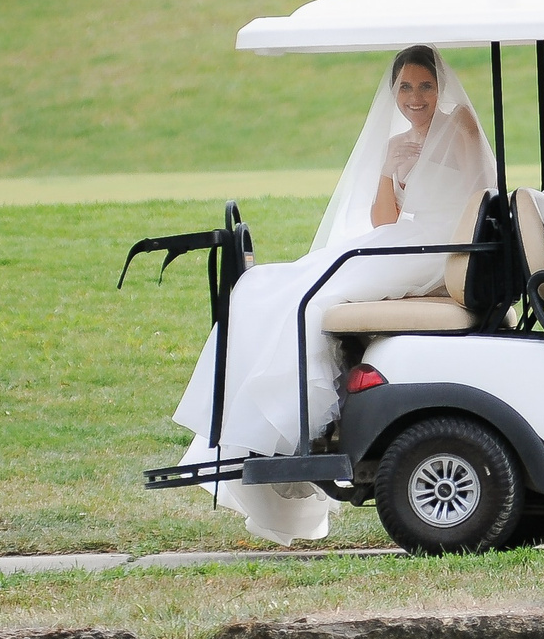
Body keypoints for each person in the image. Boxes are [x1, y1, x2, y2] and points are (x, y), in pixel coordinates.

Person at [172, 45, 496, 543]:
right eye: (405, 88)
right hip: (401, 239)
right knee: (264, 288)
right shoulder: (397, 144)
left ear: (441, 88)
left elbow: (478, 192)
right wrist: (393, 167)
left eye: (425, 86)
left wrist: (429, 159)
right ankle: (248, 427)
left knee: (314, 300)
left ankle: (288, 420)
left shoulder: (461, 128)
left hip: (441, 245)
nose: (415, 97)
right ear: (393, 92)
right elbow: (384, 220)